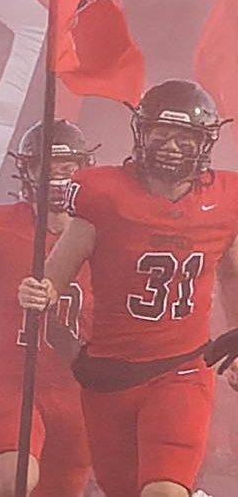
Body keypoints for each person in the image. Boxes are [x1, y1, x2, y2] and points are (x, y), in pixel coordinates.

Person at [18, 79, 238, 497]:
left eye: (183, 136)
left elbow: (232, 274)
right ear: (142, 133)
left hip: (183, 367)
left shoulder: (227, 199)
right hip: (110, 372)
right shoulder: (104, 194)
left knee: (162, 490)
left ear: (203, 142)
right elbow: (57, 272)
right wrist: (40, 290)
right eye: (161, 133)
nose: (170, 146)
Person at [0, 120, 94, 497]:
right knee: (11, 481)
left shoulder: (104, 231)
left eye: (68, 170)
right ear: (27, 171)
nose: (57, 179)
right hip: (18, 382)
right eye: (47, 169)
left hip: (77, 388)